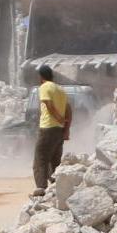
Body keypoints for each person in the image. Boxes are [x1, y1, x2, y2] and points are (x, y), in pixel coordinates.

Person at [33, 65, 71, 193]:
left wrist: (58, 118)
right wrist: (66, 129)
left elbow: (48, 105)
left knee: (40, 159)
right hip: (59, 130)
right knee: (55, 160)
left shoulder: (44, 87)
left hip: (47, 128)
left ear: (41, 77)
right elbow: (69, 110)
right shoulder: (60, 89)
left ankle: (41, 189)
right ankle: (57, 187)